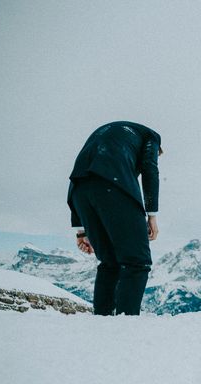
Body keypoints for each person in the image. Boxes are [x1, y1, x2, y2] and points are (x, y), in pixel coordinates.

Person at [67, 121, 163, 315]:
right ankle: (126, 324)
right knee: (137, 261)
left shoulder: (106, 135)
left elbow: (80, 177)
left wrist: (81, 231)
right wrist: (152, 214)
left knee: (109, 262)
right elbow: (150, 169)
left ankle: (102, 322)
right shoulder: (151, 137)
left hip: (79, 192)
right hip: (114, 186)